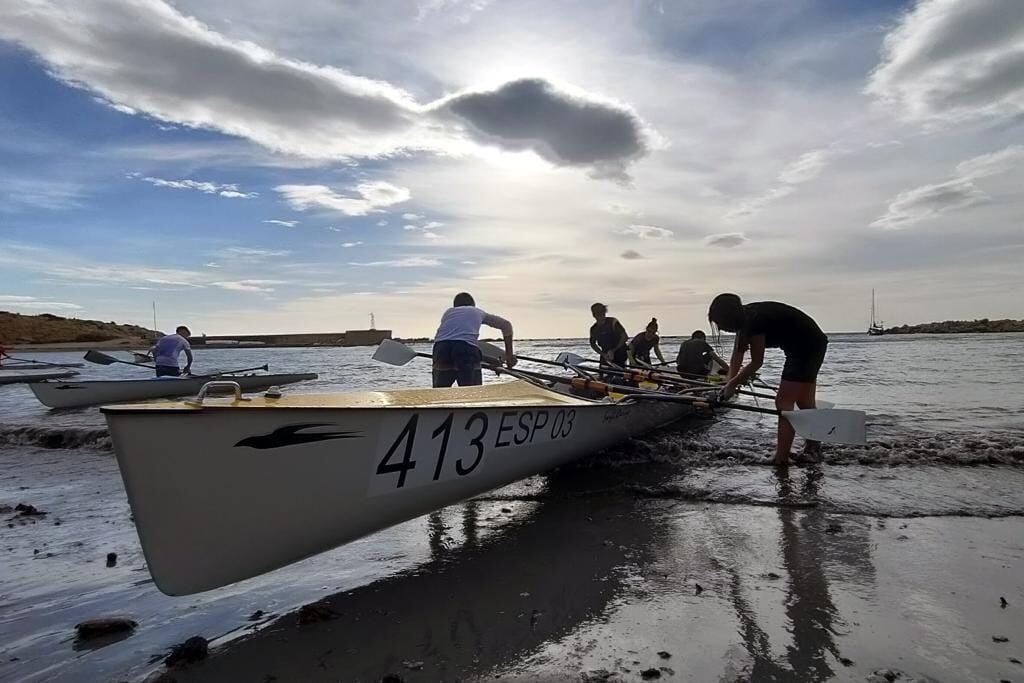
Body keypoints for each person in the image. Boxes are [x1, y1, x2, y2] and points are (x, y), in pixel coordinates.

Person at [708, 294, 828, 466]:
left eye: (719, 323)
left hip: (807, 347)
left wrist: (734, 384)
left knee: (783, 403)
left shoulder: (754, 320)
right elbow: (737, 356)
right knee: (803, 402)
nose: (720, 328)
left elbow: (757, 362)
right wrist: (729, 383)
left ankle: (782, 457)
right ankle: (813, 448)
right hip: (808, 345)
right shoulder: (745, 318)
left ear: (729, 317)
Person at [432, 292, 515, 388]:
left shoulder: (448, 313)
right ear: (473, 304)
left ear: (455, 306)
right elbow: (506, 325)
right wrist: (509, 355)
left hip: (440, 348)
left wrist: (491, 361)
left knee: (440, 392)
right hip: (465, 349)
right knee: (472, 392)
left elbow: (454, 347)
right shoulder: (477, 311)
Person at [589, 303, 628, 378]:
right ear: (594, 315)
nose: (601, 316)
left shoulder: (613, 322)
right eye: (598, 314)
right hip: (605, 354)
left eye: (602, 313)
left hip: (619, 352)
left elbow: (625, 337)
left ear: (605, 312)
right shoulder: (594, 329)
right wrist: (603, 354)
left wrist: (613, 350)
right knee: (603, 376)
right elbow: (593, 344)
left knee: (619, 377)